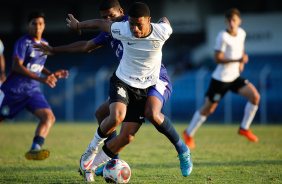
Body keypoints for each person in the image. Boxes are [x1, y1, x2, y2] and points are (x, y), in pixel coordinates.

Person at [33, 0, 191, 178]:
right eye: (105, 17)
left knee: (148, 117)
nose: (108, 20)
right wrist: (54, 50)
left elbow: (164, 22)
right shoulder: (116, 30)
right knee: (103, 114)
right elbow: (87, 45)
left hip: (154, 80)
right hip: (127, 81)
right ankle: (110, 162)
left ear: (122, 12)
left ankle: (182, 150)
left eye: (111, 16)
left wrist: (162, 20)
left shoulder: (141, 27)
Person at [183, 8, 260, 149]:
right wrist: (238, 59)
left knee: (255, 96)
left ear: (239, 21)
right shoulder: (222, 36)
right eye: (229, 20)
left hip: (235, 77)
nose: (232, 23)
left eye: (234, 20)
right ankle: (189, 133)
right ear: (226, 22)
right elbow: (217, 59)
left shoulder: (242, 33)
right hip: (220, 80)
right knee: (208, 109)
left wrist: (241, 63)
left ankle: (244, 128)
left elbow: (241, 49)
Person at [0, 11, 69, 160]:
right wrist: (41, 79)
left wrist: (50, 74)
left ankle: (34, 149)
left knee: (49, 117)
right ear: (28, 25)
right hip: (14, 90)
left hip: (32, 91)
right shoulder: (23, 42)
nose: (37, 27)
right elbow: (17, 67)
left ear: (44, 26)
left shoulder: (45, 44)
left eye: (40, 24)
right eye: (34, 24)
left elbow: (37, 66)